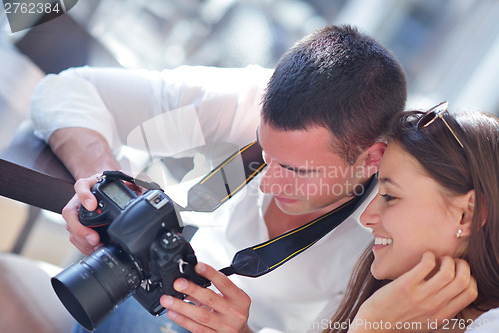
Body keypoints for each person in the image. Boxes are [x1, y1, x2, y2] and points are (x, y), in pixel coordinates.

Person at [30, 24, 414, 333]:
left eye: (296, 171)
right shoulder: (252, 101)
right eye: (266, 153)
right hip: (159, 293)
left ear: (371, 160)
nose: (267, 181)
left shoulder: (390, 240)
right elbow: (65, 89)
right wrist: (107, 189)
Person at [161, 103, 497, 333]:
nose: (367, 217)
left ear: (467, 214)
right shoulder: (391, 295)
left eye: (391, 196)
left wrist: (370, 326)